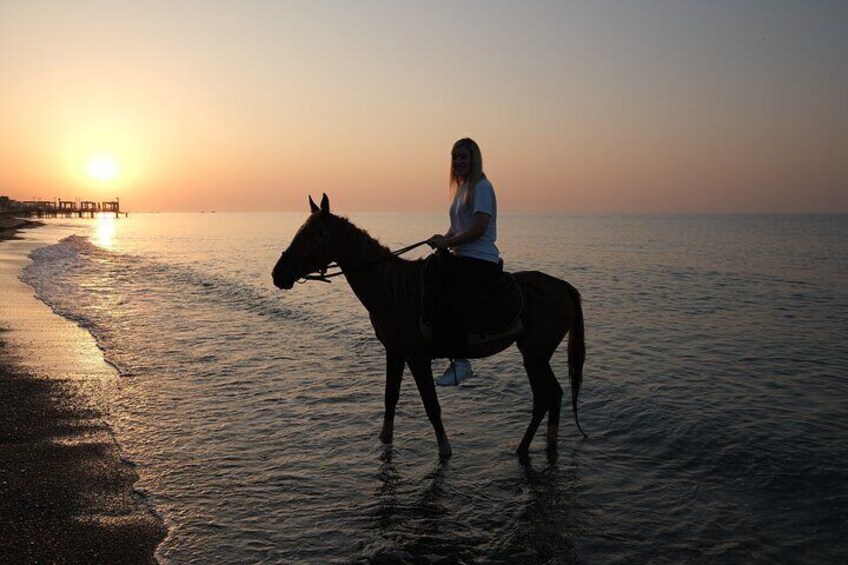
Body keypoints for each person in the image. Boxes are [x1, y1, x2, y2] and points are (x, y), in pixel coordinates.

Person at [427, 137, 500, 386]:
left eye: (463, 157)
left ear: (474, 159)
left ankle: (461, 362)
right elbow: (459, 225)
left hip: (479, 258)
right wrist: (444, 237)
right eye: (455, 157)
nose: (458, 161)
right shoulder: (463, 188)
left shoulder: (481, 187)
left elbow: (479, 228)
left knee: (447, 293)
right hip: (463, 255)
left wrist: (449, 243)